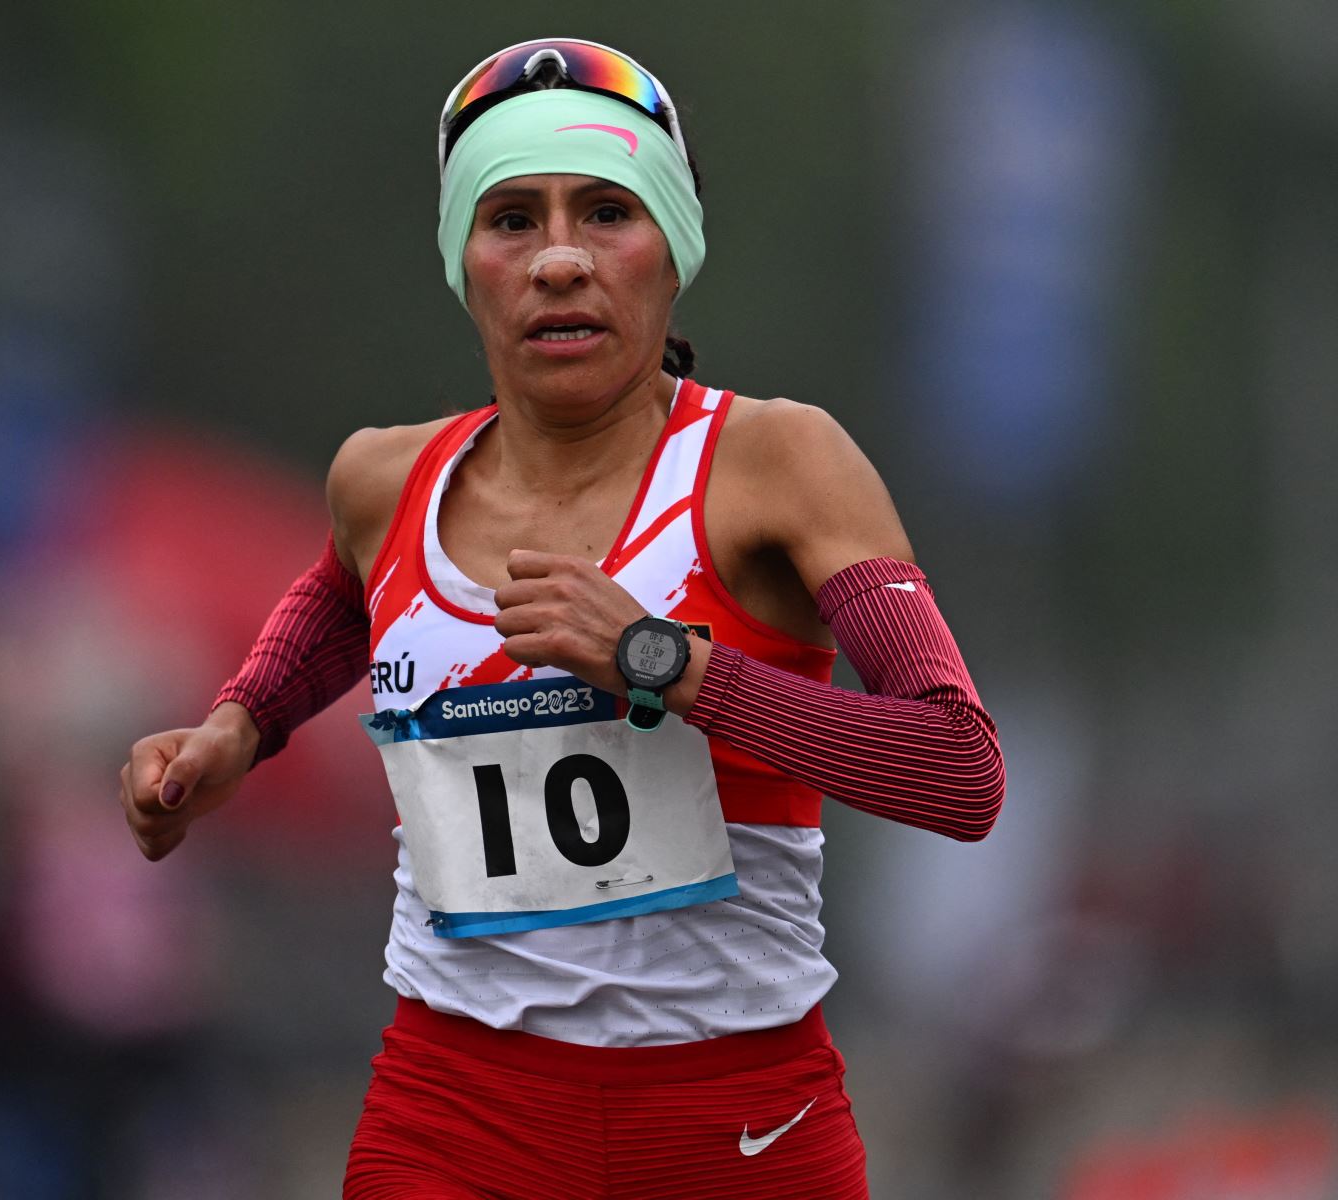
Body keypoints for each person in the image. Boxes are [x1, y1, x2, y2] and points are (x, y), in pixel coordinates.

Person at [116, 37, 1003, 1199]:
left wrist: (661, 662)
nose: (561, 261)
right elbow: (344, 588)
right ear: (463, 262)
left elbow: (958, 770)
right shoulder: (383, 481)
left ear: (674, 253)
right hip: (452, 1117)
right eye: (512, 220)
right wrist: (240, 724)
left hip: (733, 1129)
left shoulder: (778, 465)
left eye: (607, 213)